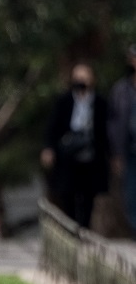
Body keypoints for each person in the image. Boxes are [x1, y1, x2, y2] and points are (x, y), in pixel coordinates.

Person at [40, 62, 109, 229]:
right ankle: (71, 229)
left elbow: (106, 132)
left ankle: (84, 229)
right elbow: (53, 127)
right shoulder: (63, 101)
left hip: (91, 156)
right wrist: (49, 148)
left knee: (88, 196)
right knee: (67, 194)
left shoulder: (100, 103)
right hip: (68, 156)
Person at [108, 44, 136, 236]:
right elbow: (114, 124)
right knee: (131, 194)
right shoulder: (121, 90)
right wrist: (115, 153)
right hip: (129, 151)